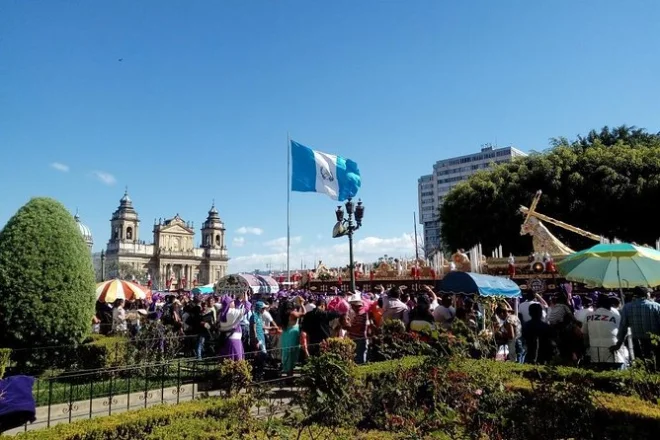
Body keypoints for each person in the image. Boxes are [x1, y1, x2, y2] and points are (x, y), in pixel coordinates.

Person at [610, 286, 660, 364]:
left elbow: (623, 327)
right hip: (654, 341)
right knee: (655, 364)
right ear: (647, 294)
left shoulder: (627, 307)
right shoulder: (656, 306)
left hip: (637, 342)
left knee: (640, 364)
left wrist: (619, 343)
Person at [584, 294, 627, 369]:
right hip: (613, 348)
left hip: (595, 350)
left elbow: (584, 333)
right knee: (614, 372)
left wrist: (586, 348)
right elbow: (622, 330)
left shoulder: (588, 315)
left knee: (598, 372)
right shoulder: (615, 314)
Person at [280, 296, 306, 376]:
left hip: (286, 334)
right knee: (292, 354)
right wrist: (302, 304)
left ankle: (288, 372)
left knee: (287, 352)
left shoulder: (283, 313)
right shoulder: (292, 313)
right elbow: (304, 313)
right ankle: (290, 374)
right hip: (292, 334)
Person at [218, 296, 246, 361]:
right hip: (234, 339)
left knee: (232, 359)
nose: (234, 302)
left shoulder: (224, 312)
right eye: (232, 301)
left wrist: (241, 298)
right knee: (236, 359)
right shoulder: (230, 312)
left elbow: (237, 306)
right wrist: (246, 301)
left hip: (231, 338)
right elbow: (246, 309)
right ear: (229, 303)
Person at [347, 293, 370, 364]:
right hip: (357, 339)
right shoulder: (359, 314)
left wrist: (348, 327)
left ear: (355, 306)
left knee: (359, 360)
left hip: (359, 340)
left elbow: (357, 328)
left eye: (352, 305)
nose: (351, 307)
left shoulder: (361, 315)